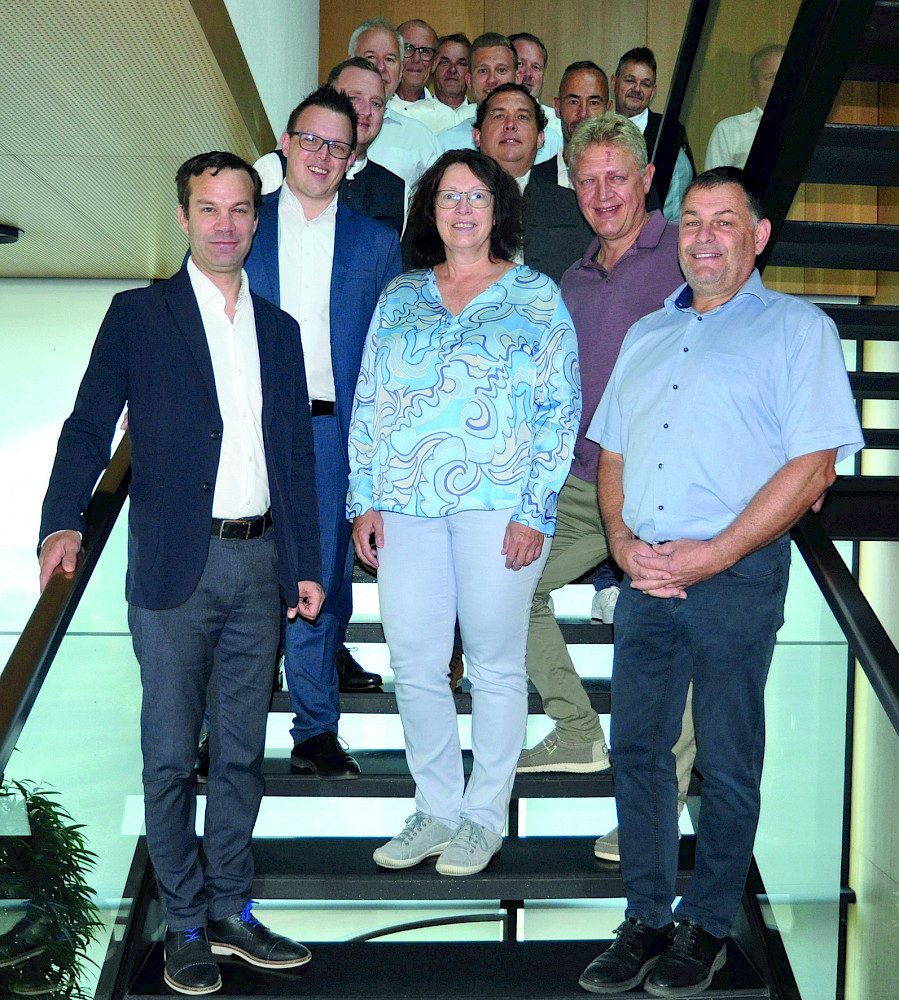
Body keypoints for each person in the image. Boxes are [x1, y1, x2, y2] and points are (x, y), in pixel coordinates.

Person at [38, 152, 324, 995]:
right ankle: (186, 925)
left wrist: (305, 564)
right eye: (209, 208)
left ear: (256, 221)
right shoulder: (138, 315)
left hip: (261, 563)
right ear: (183, 217)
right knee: (169, 758)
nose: (225, 224)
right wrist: (62, 520)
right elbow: (88, 424)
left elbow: (295, 458)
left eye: (239, 210)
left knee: (241, 756)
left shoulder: (280, 331)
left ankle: (232, 912)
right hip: (174, 566)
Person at [579, 167, 863, 996]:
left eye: (724, 221)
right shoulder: (646, 335)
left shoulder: (799, 330)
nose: (704, 237)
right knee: (638, 752)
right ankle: (644, 918)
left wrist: (714, 553)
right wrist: (622, 543)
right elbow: (614, 455)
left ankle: (704, 927)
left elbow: (812, 467)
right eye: (693, 221)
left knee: (728, 760)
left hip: (735, 576)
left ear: (757, 236)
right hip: (645, 574)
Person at [348, 149, 580, 878]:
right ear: (430, 210)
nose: (462, 209)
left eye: (477, 196)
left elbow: (560, 408)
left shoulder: (536, 296)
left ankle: (483, 820)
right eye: (448, 196)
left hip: (500, 506)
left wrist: (535, 510)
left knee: (495, 666)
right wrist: (364, 499)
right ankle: (436, 810)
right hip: (406, 503)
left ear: (499, 209)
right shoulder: (400, 297)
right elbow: (370, 401)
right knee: (415, 663)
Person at [517, 113, 694, 862]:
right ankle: (577, 729)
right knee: (501, 588)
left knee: (664, 648)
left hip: (661, 491)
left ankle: (653, 812)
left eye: (615, 177)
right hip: (581, 483)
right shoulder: (574, 276)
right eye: (586, 181)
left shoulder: (687, 256)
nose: (601, 194)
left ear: (646, 178)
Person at [244, 86, 402, 779]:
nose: (321, 155)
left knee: (323, 580)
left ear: (352, 158)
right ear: (285, 144)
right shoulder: (245, 224)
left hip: (334, 432)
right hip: (248, 430)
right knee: (245, 579)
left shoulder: (377, 243)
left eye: (338, 146)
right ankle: (226, 731)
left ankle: (314, 730)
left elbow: (390, 359)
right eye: (310, 140)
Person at [254, 19, 441, 197]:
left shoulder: (421, 140)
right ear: (348, 63)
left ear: (400, 71)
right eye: (370, 57)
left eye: (390, 59)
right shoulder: (303, 131)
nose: (379, 68)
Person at [472, 82, 593, 283]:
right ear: (477, 136)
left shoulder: (572, 206)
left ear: (540, 138)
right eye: (499, 116)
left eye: (522, 117)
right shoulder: (452, 201)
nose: (510, 125)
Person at [437, 33, 562, 165]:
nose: (492, 80)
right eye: (483, 71)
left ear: (518, 78)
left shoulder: (550, 142)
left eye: (501, 70)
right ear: (469, 80)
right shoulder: (446, 144)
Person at [611, 47, 694, 221]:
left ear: (653, 92)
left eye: (645, 84)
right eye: (630, 80)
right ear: (613, 83)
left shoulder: (668, 134)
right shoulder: (597, 131)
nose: (637, 89)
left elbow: (677, 212)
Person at [532, 60, 611, 189]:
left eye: (593, 103)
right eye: (573, 102)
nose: (583, 113)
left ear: (608, 110)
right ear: (557, 107)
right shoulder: (532, 181)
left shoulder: (625, 182)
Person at [705, 45, 785, 170]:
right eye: (771, 77)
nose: (781, 83)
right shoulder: (729, 130)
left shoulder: (809, 126)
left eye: (786, 76)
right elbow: (716, 182)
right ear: (754, 83)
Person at [389, 19, 458, 134]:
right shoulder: (375, 107)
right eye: (408, 48)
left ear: (435, 63)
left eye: (425, 51)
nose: (416, 59)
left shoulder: (447, 119)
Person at [508, 31, 563, 137]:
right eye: (520, 64)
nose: (528, 74)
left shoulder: (558, 127)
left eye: (535, 67)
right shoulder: (477, 116)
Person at [431, 34, 473, 123]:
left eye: (461, 64)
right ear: (433, 68)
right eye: (445, 62)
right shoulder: (415, 115)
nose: (452, 70)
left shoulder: (481, 118)